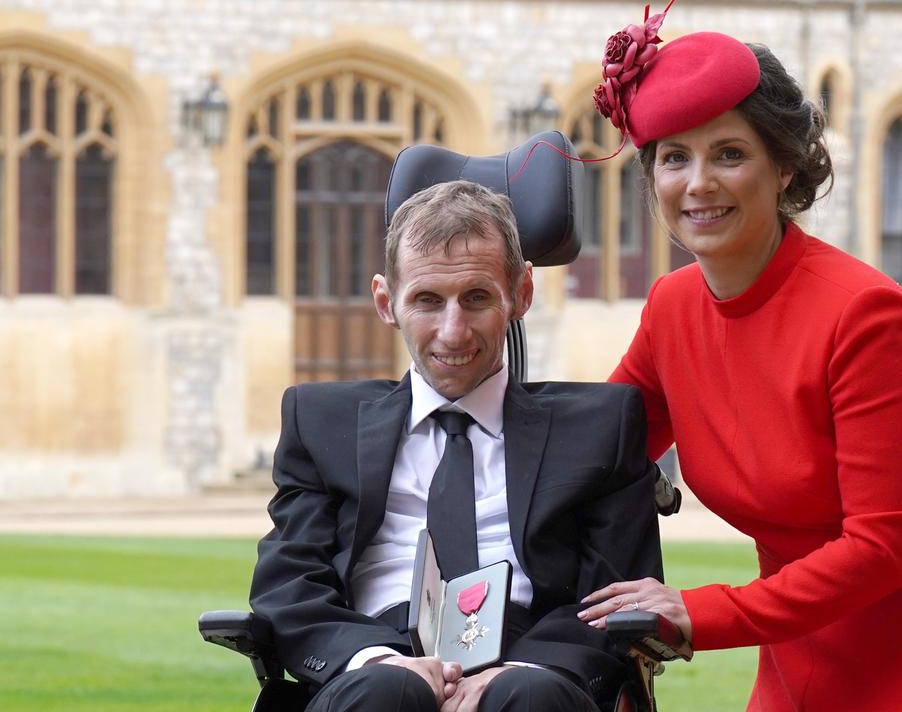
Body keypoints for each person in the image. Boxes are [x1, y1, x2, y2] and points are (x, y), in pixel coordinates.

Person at [575, 19, 902, 712]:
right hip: (802, 660)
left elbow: (879, 548)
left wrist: (700, 611)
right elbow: (592, 449)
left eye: (729, 154)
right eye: (673, 158)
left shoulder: (868, 315)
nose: (698, 184)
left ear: (783, 166)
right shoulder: (671, 308)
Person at [251, 180, 662, 712]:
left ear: (521, 294)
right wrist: (374, 658)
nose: (453, 331)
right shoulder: (321, 421)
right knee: (386, 692)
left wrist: (528, 666)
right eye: (427, 300)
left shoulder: (602, 426)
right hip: (373, 655)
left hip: (534, 662)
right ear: (386, 302)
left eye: (477, 298)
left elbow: (619, 596)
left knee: (529, 697)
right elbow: (288, 585)